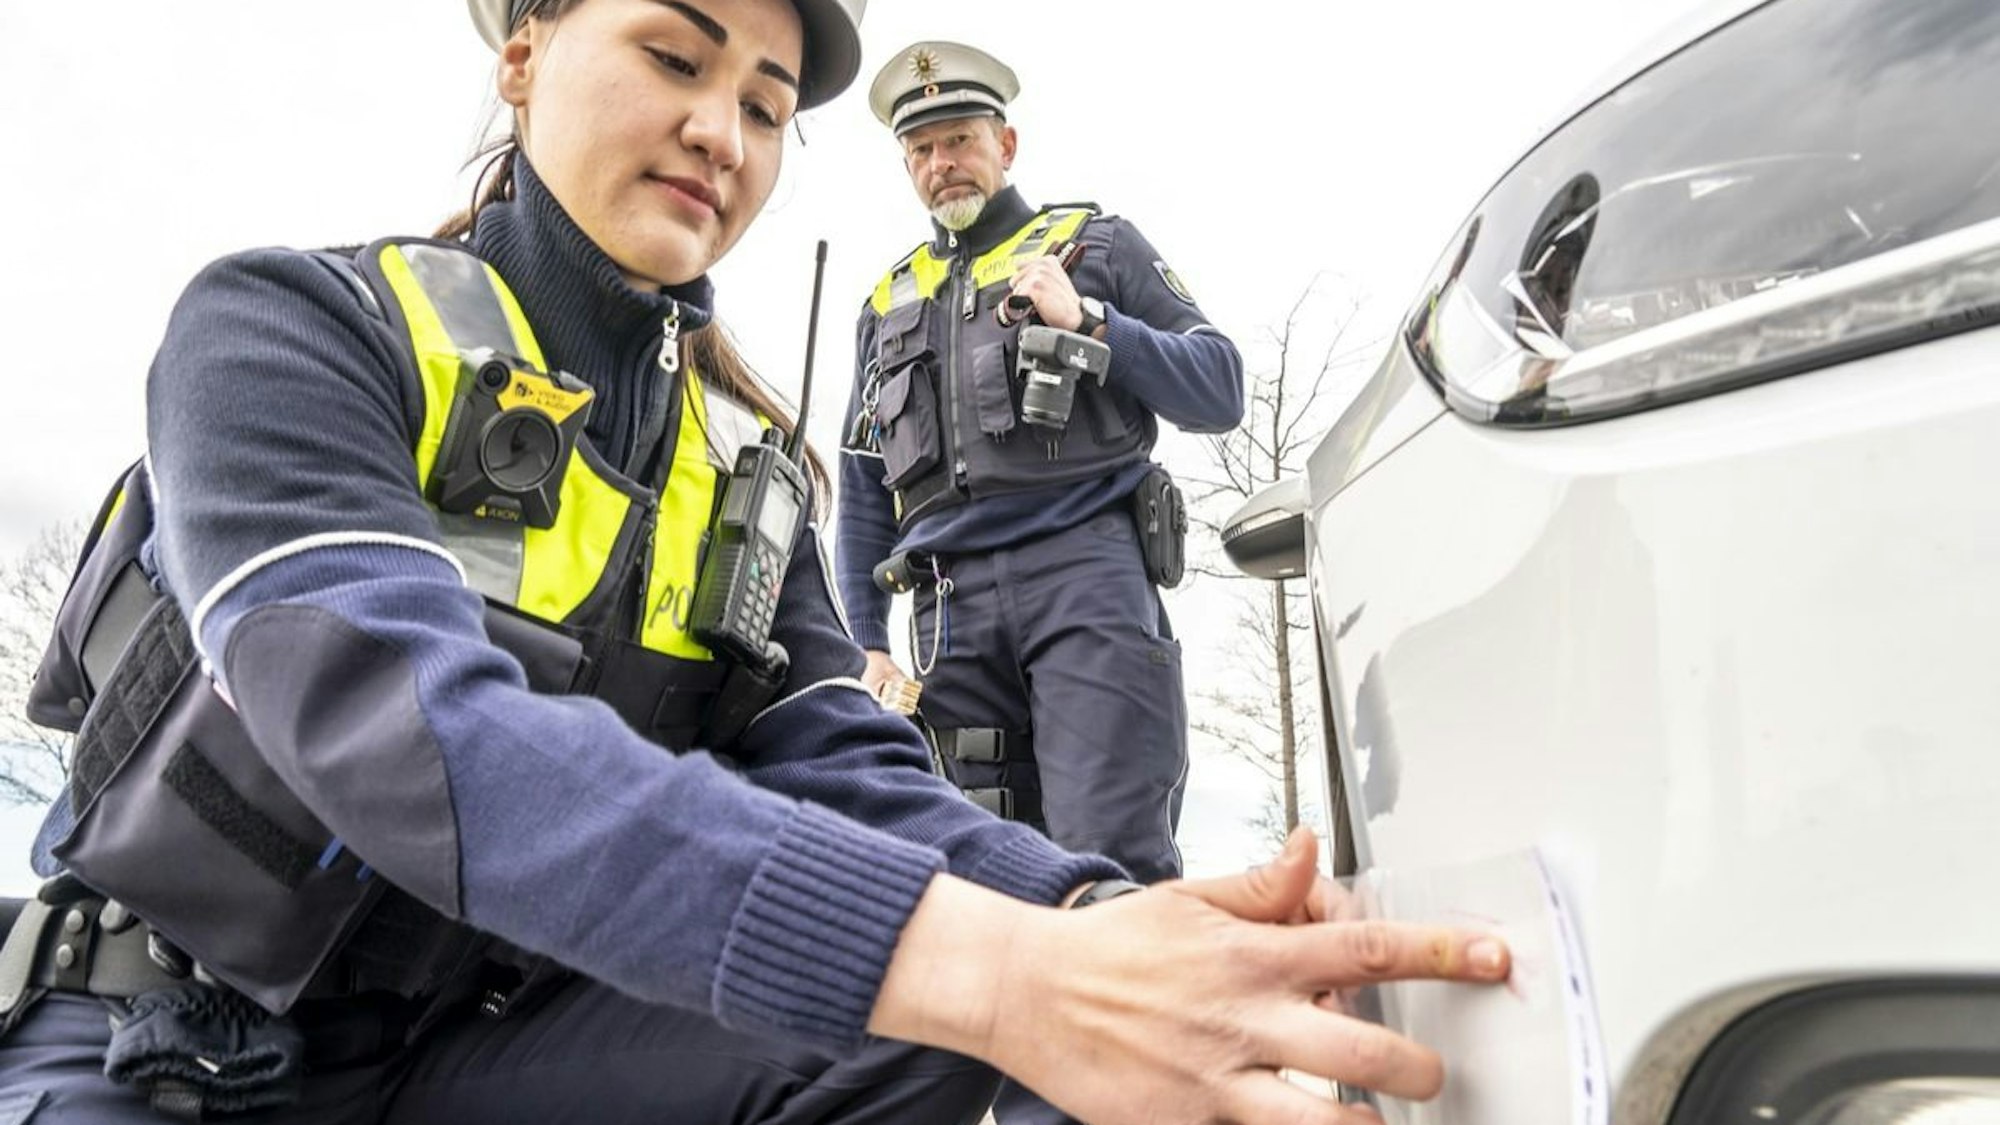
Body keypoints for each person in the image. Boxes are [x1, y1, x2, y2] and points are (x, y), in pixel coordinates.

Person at [0, 3, 1509, 1124]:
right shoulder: (291, 328)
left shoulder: (746, 468)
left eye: (767, 103)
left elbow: (861, 774)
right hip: (165, 1035)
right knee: (956, 983)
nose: (723, 130)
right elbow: (400, 726)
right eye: (675, 57)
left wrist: (1099, 927)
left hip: (463, 1057)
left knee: (937, 1019)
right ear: (524, 50)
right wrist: (993, 966)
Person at [838, 41, 1238, 885]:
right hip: (947, 611)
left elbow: (1219, 386)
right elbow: (866, 486)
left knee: (1108, 861)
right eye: (921, 149)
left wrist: (1093, 321)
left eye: (959, 139)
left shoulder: (1094, 244)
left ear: (1005, 144)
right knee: (985, 877)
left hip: (1085, 579)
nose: (941, 164)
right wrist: (865, 644)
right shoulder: (885, 303)